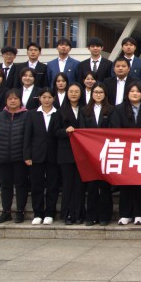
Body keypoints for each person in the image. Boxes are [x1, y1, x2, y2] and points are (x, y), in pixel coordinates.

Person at [110, 81, 141, 225]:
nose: (135, 94)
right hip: (125, 150)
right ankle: (125, 213)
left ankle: (139, 213)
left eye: (138, 91)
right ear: (127, 93)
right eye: (132, 91)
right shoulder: (119, 109)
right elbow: (115, 128)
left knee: (140, 183)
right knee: (125, 182)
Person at [23, 87, 62, 225]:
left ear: (54, 98)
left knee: (52, 185)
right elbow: (27, 136)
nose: (46, 100)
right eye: (44, 97)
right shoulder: (32, 114)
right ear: (39, 98)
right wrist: (27, 155)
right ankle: (38, 213)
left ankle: (50, 213)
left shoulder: (58, 113)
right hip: (36, 155)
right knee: (36, 185)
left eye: (49, 97)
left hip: (53, 155)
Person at [0, 89, 30, 224]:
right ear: (6, 101)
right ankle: (6, 211)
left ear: (20, 100)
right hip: (2, 156)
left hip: (20, 157)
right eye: (10, 99)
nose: (13, 101)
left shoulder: (27, 116)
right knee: (5, 185)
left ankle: (20, 211)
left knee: (21, 184)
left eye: (16, 98)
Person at [79, 84, 113, 226]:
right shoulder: (84, 110)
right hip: (90, 152)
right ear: (91, 94)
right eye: (96, 92)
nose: (98, 94)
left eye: (101, 92)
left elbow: (113, 129)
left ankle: (105, 216)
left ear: (105, 94)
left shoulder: (111, 110)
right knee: (92, 186)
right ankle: (91, 216)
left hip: (106, 151)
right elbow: (82, 129)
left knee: (105, 186)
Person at [57, 83, 83, 223]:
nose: (73, 94)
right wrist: (65, 131)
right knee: (68, 185)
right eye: (71, 91)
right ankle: (67, 214)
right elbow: (55, 131)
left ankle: (78, 214)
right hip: (66, 153)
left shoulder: (85, 109)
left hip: (82, 153)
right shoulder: (60, 111)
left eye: (76, 91)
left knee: (79, 185)